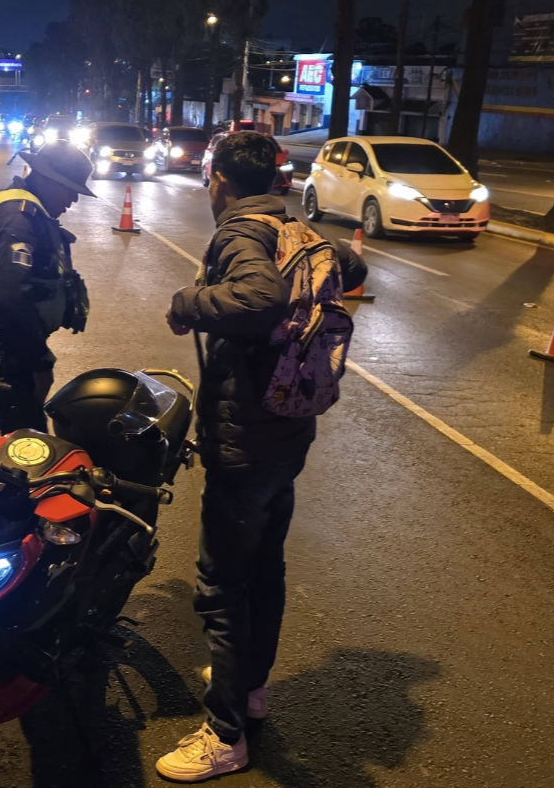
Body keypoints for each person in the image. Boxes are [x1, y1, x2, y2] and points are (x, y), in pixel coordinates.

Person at [156, 132, 367, 783]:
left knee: (221, 583)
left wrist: (185, 304)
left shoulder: (238, 234)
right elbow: (353, 270)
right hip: (287, 427)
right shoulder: (292, 227)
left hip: (245, 435)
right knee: (263, 567)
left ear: (218, 180)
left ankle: (225, 736)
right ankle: (249, 690)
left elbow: (257, 299)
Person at [0, 141, 94, 434]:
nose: (73, 199)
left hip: (12, 344)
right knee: (27, 449)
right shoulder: (18, 219)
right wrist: (33, 358)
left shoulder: (29, 211)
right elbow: (12, 296)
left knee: (26, 437)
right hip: (4, 350)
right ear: (45, 178)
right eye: (69, 189)